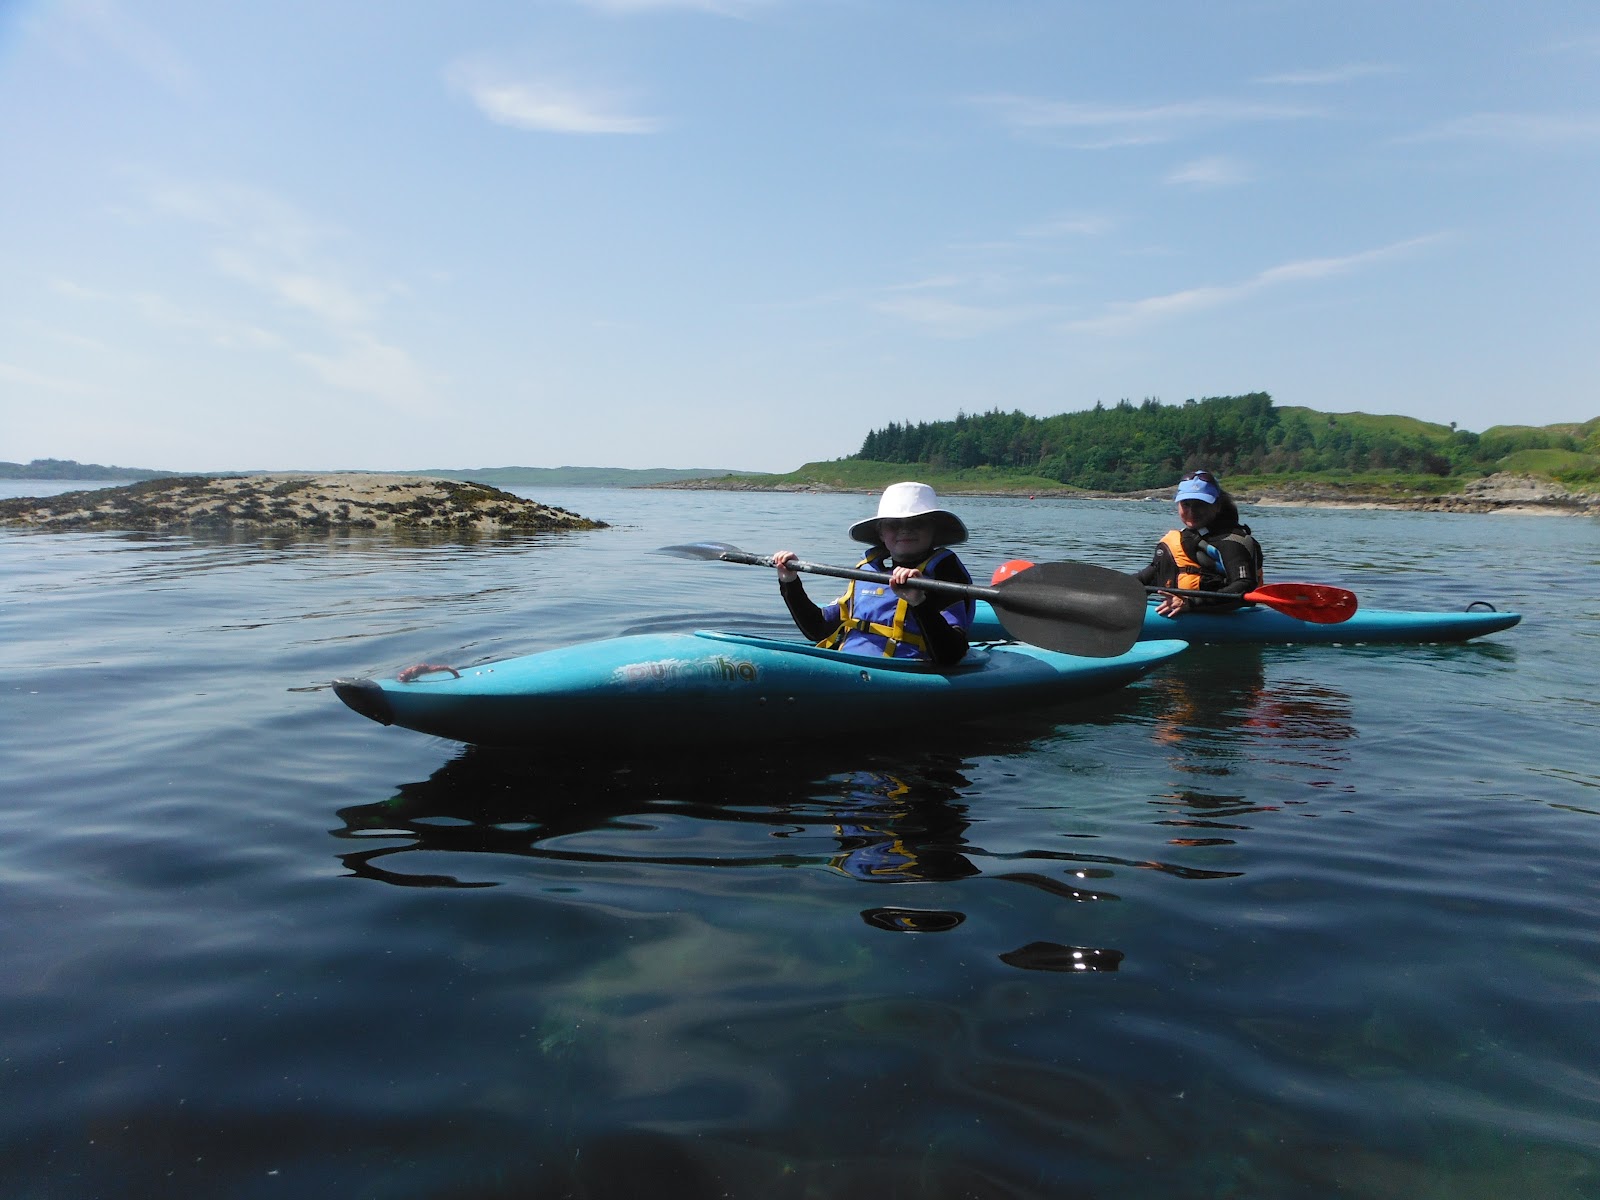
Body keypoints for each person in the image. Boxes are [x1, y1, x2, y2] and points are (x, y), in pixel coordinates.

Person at [772, 481, 974, 664]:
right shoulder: (869, 571)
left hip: (903, 676)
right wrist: (790, 582)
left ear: (933, 529)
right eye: (894, 524)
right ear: (880, 532)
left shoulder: (945, 574)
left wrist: (918, 602)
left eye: (917, 523)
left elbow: (951, 655)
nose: (905, 530)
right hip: (848, 666)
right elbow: (817, 629)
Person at [1136, 469, 1263, 617]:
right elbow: (1147, 578)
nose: (1192, 511)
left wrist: (1191, 603)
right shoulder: (1183, 539)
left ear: (1217, 506)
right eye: (1186, 504)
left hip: (1227, 616)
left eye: (1200, 504)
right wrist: (1111, 588)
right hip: (1183, 609)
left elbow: (1244, 587)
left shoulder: (1232, 540)